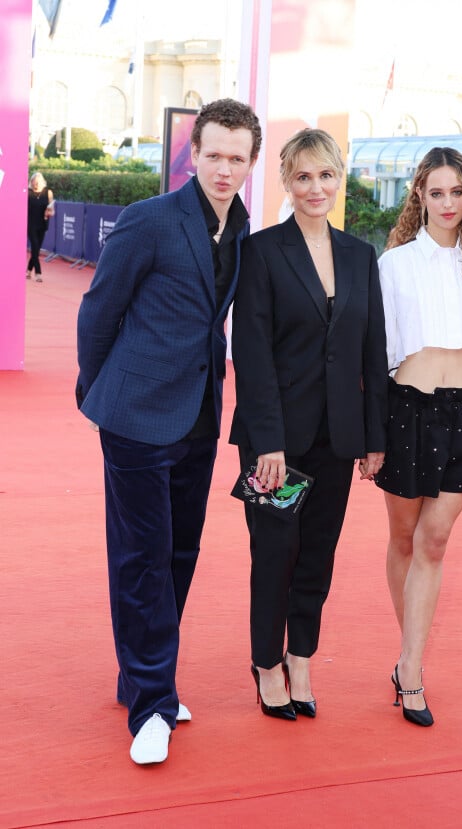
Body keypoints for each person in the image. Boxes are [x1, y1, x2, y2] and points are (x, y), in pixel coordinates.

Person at [75, 98, 261, 764]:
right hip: (134, 415)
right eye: (213, 154)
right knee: (142, 557)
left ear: (249, 163)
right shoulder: (148, 219)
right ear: (195, 153)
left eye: (237, 158)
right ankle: (153, 703)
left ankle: (140, 678)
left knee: (179, 553)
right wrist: (95, 389)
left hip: (199, 416)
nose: (223, 168)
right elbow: (99, 311)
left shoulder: (242, 230)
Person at [229, 128, 388, 721]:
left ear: (338, 179)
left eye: (325, 175)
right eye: (302, 176)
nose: (315, 187)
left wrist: (373, 438)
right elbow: (252, 354)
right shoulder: (263, 251)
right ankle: (267, 662)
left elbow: (373, 353)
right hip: (276, 445)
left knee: (317, 553)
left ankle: (302, 658)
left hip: (335, 439)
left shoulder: (359, 255)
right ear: (287, 183)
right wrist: (266, 443)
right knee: (275, 551)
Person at [373, 147, 462, 727]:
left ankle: (411, 666)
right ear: (420, 197)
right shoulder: (395, 264)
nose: (448, 203)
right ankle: (411, 653)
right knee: (403, 537)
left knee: (434, 541)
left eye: (458, 192)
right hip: (406, 412)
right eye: (437, 192)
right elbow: (379, 345)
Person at [27, 172, 54, 282]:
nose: (36, 185)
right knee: (34, 246)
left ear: (42, 182)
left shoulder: (48, 192)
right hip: (30, 224)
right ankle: (38, 273)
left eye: (38, 183)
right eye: (34, 183)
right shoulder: (28, 193)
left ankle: (28, 270)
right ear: (31, 182)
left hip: (43, 224)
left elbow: (52, 211)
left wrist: (49, 212)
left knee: (36, 250)